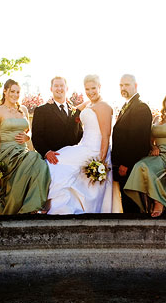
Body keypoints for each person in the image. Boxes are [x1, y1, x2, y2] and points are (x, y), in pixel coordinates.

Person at [45, 74, 115, 214]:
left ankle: (60, 205)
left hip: (95, 150)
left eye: (93, 88)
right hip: (84, 145)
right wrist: (51, 102)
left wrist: (101, 162)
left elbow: (106, 136)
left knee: (58, 160)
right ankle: (61, 205)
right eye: (87, 89)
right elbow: (74, 110)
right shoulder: (90, 104)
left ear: (100, 87)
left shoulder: (104, 106)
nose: (90, 92)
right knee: (57, 160)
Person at [124, 89, 166, 217]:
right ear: (165, 101)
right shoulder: (156, 118)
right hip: (158, 154)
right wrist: (153, 146)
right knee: (140, 165)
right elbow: (150, 140)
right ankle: (146, 205)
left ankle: (159, 202)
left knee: (148, 167)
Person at [0, 79, 50, 215]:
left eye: (17, 92)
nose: (15, 95)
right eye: (12, 91)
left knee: (40, 165)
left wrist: (28, 137)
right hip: (7, 153)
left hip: (23, 151)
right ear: (5, 91)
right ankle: (17, 209)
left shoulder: (23, 110)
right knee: (34, 158)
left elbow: (29, 131)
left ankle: (32, 208)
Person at [111, 74, 153, 213]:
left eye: (127, 85)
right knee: (126, 204)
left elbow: (139, 140)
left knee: (132, 205)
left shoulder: (141, 108)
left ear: (135, 86)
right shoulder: (126, 106)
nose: (123, 88)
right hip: (122, 164)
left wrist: (126, 164)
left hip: (130, 166)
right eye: (121, 85)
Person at [31, 76, 83, 159]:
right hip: (53, 159)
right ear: (51, 89)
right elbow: (36, 136)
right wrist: (46, 152)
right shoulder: (41, 110)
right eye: (56, 86)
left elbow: (80, 134)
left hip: (73, 158)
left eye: (62, 85)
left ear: (67, 88)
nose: (59, 88)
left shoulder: (75, 111)